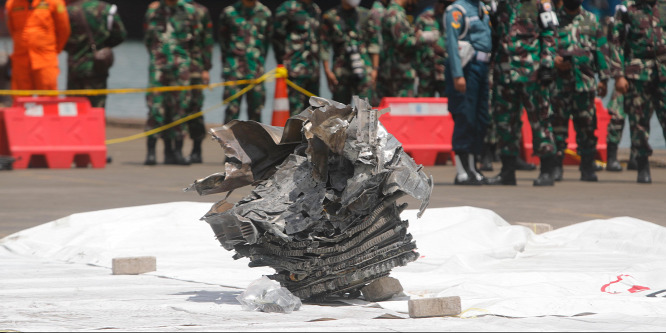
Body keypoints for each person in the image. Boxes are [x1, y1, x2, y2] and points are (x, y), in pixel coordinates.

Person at [487, 0, 559, 186]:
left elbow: (550, 32)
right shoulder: (500, 4)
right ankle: (507, 171)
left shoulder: (540, 3)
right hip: (505, 73)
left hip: (532, 73)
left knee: (540, 120)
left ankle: (547, 170)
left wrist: (547, 64)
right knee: (505, 122)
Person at [550, 0, 609, 182]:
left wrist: (604, 78)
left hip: (585, 83)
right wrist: (554, 60)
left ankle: (587, 167)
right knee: (557, 127)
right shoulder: (553, 20)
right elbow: (545, 46)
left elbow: (601, 50)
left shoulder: (591, 20)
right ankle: (556, 166)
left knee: (587, 127)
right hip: (559, 85)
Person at [611, 0, 666, 183]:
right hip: (638, 73)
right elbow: (616, 42)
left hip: (664, 72)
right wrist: (619, 75)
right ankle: (642, 165)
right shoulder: (628, 9)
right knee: (639, 123)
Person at [143, 0, 200, 166]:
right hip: (159, 66)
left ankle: (177, 151)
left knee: (180, 108)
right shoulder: (153, 12)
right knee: (156, 107)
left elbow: (196, 41)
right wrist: (158, 56)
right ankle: (151, 151)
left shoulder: (189, 12)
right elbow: (147, 40)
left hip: (181, 66)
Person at [444, 0, 492, 185]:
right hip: (466, 67)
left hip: (482, 67)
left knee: (480, 119)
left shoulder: (481, 8)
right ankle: (462, 171)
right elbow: (452, 41)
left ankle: (473, 167)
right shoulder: (457, 10)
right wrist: (457, 74)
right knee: (465, 117)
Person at [64, 0, 126, 109]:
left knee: (73, 107)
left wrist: (74, 49)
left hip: (75, 65)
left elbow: (60, 37)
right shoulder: (107, 9)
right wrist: (103, 46)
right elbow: (120, 35)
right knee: (96, 107)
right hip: (98, 64)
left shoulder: (68, 10)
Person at [219, 0, 272, 123]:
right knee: (231, 112)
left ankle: (254, 143)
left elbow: (266, 43)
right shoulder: (229, 13)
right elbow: (223, 42)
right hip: (233, 71)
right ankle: (227, 142)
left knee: (256, 113)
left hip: (256, 72)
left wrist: (260, 63)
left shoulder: (264, 13)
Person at [5, 0, 70, 91]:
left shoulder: (55, 2)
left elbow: (64, 30)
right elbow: (12, 30)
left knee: (48, 100)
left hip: (45, 60)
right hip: (20, 60)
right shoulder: (11, 4)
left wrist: (51, 51)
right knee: (20, 99)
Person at [378, 0, 438, 100]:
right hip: (399, 73)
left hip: (398, 72)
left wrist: (415, 34)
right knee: (401, 111)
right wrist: (423, 38)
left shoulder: (397, 12)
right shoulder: (395, 14)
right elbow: (403, 42)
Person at [320, 0, 375, 104]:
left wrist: (375, 69)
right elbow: (324, 46)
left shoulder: (365, 15)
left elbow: (374, 42)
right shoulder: (330, 16)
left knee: (365, 110)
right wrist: (327, 71)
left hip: (364, 69)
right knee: (340, 111)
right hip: (341, 71)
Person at [272, 0, 321, 115]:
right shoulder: (286, 8)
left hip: (313, 70)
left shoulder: (315, 9)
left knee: (315, 113)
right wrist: (283, 61)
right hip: (294, 69)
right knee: (297, 113)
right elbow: (277, 37)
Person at [184, 0, 213, 164]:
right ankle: (174, 151)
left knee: (194, 109)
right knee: (174, 110)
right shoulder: (166, 8)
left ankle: (196, 150)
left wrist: (205, 69)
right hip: (172, 68)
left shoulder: (201, 11)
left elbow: (207, 41)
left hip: (194, 67)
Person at [414, 0, 449, 98]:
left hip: (445, 71)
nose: (442, 6)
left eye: (445, 4)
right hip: (426, 70)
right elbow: (414, 41)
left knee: (447, 106)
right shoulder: (424, 18)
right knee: (424, 105)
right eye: (440, 3)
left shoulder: (452, 18)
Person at [367, 0, 389, 106]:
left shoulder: (383, 10)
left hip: (383, 65)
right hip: (380, 65)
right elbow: (375, 41)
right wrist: (375, 68)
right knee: (377, 103)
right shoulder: (377, 12)